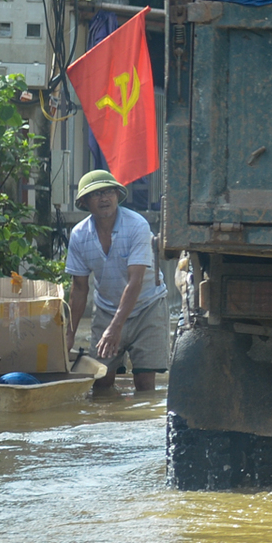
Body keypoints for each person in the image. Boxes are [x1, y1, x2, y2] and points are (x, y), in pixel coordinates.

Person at [65, 170, 166, 396]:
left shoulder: (137, 226)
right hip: (106, 307)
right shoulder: (79, 235)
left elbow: (136, 280)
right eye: (96, 194)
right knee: (100, 380)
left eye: (108, 192)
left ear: (117, 196)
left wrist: (116, 327)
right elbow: (80, 288)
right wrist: (70, 332)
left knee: (144, 382)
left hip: (147, 306)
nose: (104, 198)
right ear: (84, 202)